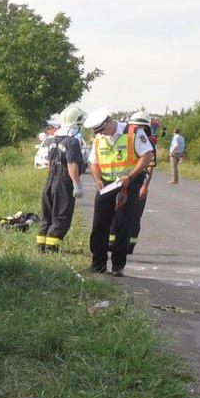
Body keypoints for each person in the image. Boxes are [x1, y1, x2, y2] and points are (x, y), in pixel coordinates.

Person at [86, 107, 154, 275]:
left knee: (123, 225)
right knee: (100, 225)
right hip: (106, 185)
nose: (102, 134)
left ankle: (118, 266)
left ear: (109, 121)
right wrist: (98, 180)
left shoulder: (133, 132)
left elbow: (147, 156)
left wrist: (130, 177)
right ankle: (98, 263)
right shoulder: (99, 138)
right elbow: (93, 162)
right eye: (98, 132)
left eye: (103, 129)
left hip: (128, 184)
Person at [36, 105, 86, 252]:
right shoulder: (72, 141)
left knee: (47, 216)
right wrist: (77, 184)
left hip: (50, 181)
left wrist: (50, 181)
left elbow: (50, 163)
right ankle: (51, 248)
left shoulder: (53, 139)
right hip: (63, 182)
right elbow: (71, 164)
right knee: (61, 217)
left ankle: (41, 247)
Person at [123, 110, 157, 256]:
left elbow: (150, 168)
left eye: (141, 127)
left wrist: (144, 187)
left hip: (137, 183)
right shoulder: (124, 140)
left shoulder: (148, 144)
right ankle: (114, 243)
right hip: (123, 182)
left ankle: (130, 245)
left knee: (135, 216)